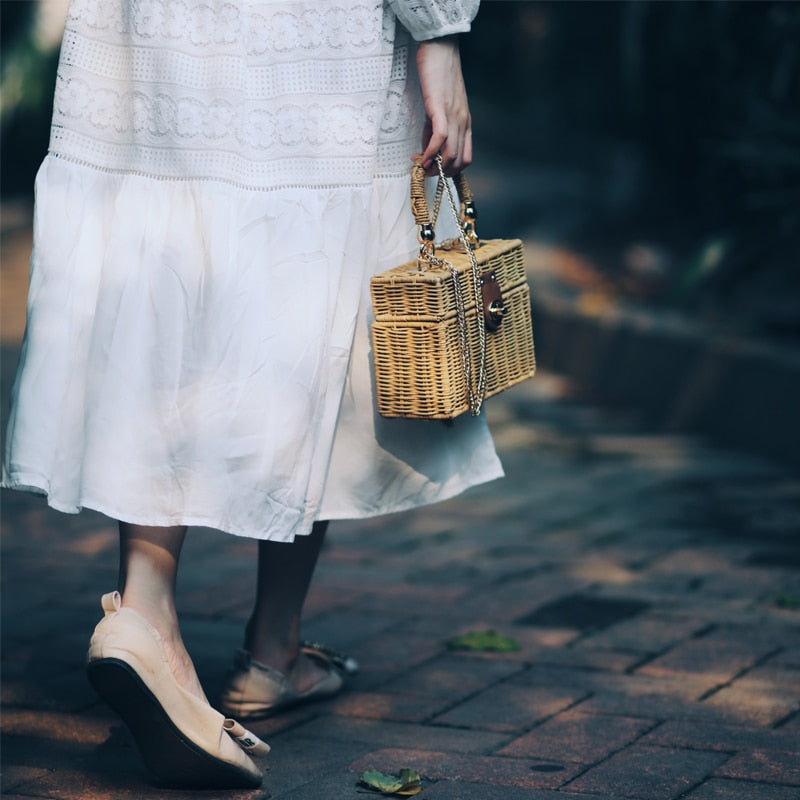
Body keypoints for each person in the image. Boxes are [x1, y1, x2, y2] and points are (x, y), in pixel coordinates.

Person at [2, 0, 502, 790]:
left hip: (157, 32)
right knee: (314, 291)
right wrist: (438, 32)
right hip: (314, 35)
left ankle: (146, 609)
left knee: (161, 275)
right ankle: (272, 649)